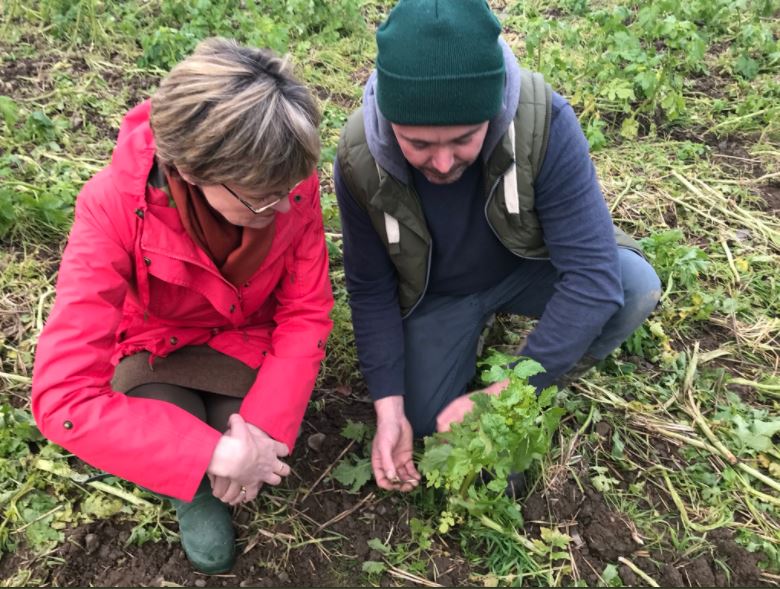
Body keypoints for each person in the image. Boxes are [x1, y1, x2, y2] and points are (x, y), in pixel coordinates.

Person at [31, 37, 333, 573]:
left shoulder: (282, 173)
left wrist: (260, 433)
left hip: (246, 337)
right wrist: (214, 456)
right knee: (178, 426)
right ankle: (195, 484)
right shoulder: (112, 207)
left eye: (293, 187)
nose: (289, 204)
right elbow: (62, 396)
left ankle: (216, 457)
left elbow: (304, 313)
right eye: (265, 199)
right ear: (192, 171)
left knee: (237, 434)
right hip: (156, 345)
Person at [334, 0, 662, 493]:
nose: (442, 164)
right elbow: (369, 287)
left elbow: (591, 277)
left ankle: (531, 377)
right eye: (418, 144)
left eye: (463, 140)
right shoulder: (359, 158)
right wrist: (388, 407)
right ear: (389, 120)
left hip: (525, 265)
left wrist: (506, 393)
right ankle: (471, 339)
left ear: (493, 110)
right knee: (422, 419)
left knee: (631, 287)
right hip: (438, 293)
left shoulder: (541, 119)